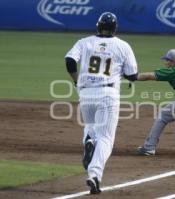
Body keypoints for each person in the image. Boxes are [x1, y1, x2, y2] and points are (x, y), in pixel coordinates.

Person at [65, 12, 138, 194]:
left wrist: (76, 81)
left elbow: (69, 61)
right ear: (115, 28)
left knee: (90, 125)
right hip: (108, 93)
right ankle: (95, 175)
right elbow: (132, 75)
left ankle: (89, 140)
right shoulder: (123, 45)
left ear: (98, 26)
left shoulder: (84, 42)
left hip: (86, 92)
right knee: (106, 137)